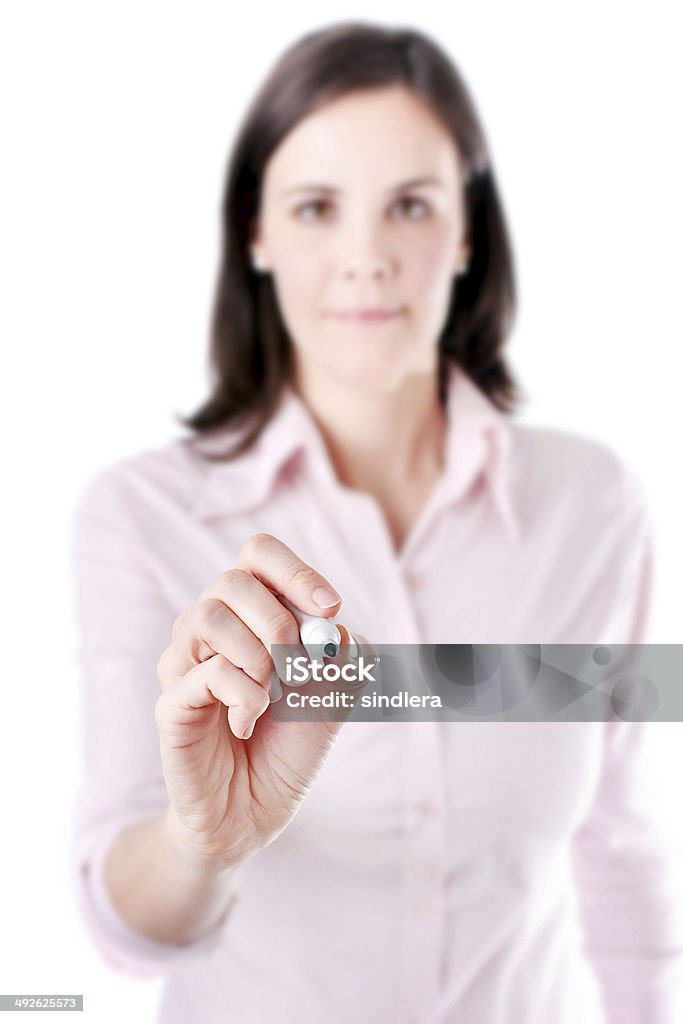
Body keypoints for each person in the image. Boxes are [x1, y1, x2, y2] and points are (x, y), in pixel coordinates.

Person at [69, 20, 683, 1024]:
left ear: (467, 231)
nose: (365, 258)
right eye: (315, 207)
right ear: (255, 234)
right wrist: (202, 840)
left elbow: (619, 845)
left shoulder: (592, 506)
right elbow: (121, 923)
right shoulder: (142, 518)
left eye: (409, 206)